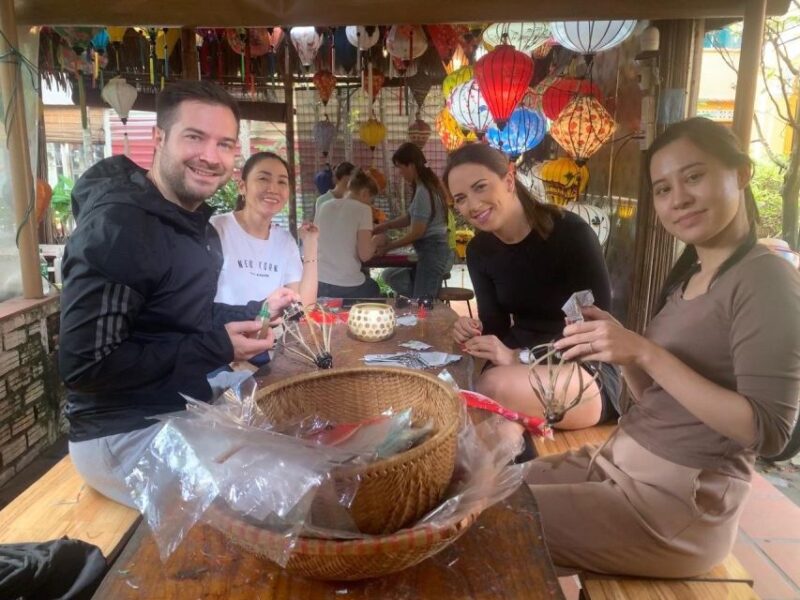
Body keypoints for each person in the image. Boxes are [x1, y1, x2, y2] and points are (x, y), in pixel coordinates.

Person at [526, 118, 800, 577]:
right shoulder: (689, 278)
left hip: (672, 508)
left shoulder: (766, 280)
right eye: (663, 189)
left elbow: (770, 434)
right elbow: (656, 398)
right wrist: (619, 348)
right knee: (486, 486)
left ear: (742, 173)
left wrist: (647, 352)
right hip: (618, 465)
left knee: (488, 520)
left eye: (694, 177)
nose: (679, 199)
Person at [59, 81, 297, 508]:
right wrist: (216, 347)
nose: (210, 156)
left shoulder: (192, 226)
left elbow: (178, 318)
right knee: (284, 498)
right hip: (122, 433)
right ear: (158, 139)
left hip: (182, 407)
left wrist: (254, 310)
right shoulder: (120, 228)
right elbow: (87, 366)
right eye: (195, 137)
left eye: (224, 144)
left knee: (300, 431)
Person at [444, 143, 620, 430]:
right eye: (461, 199)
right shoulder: (479, 250)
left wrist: (518, 357)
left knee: (492, 388)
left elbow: (595, 332)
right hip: (516, 363)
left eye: (480, 187)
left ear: (509, 180)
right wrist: (472, 331)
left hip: (583, 366)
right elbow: (496, 328)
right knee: (456, 389)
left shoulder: (570, 235)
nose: (472, 206)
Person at [211, 151, 318, 308]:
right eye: (263, 179)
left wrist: (311, 244)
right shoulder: (216, 229)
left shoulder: (284, 240)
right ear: (242, 187)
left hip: (271, 332)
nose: (273, 189)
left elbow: (305, 306)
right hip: (222, 331)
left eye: (282, 182)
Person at [374, 143, 453, 300]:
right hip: (430, 251)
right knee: (392, 276)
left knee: (423, 301)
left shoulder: (424, 191)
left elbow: (417, 232)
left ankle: (429, 312)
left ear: (410, 165)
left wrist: (389, 247)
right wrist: (384, 226)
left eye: (400, 167)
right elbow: (410, 217)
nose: (400, 173)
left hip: (433, 251)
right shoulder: (425, 186)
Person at [315, 169, 383, 299]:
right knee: (372, 287)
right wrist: (377, 240)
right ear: (364, 193)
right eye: (371, 200)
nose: (371, 204)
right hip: (347, 286)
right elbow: (365, 255)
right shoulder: (364, 209)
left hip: (319, 283)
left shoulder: (323, 205)